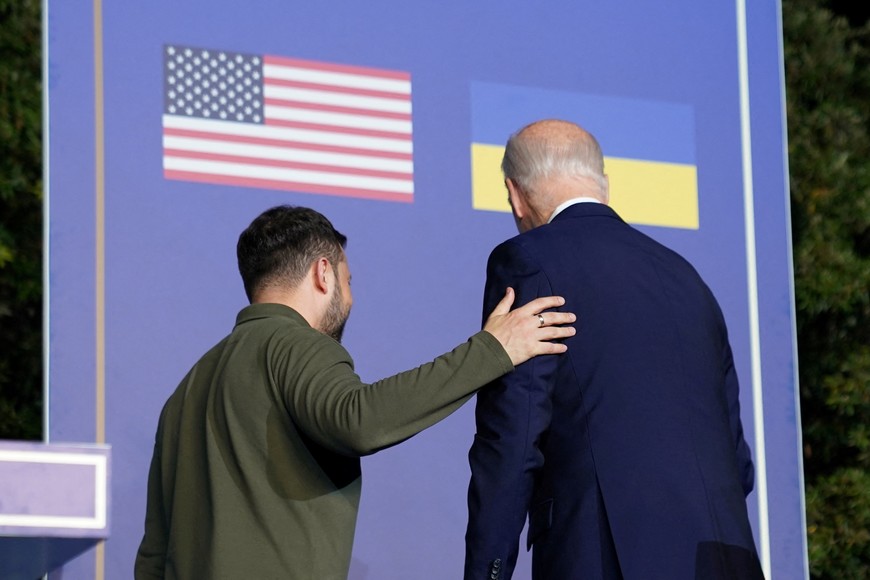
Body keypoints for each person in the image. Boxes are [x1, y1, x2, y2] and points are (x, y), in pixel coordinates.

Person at [134, 205, 575, 580]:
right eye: (349, 281)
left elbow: (154, 553)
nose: (350, 298)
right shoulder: (296, 344)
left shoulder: (186, 391)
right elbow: (359, 419)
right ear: (323, 273)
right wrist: (493, 350)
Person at [464, 120, 764, 579]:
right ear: (602, 183)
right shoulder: (688, 279)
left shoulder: (527, 261)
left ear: (515, 195)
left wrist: (488, 571)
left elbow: (512, 441)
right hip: (724, 562)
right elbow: (738, 463)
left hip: (605, 556)